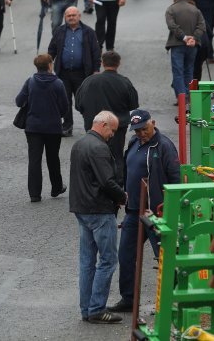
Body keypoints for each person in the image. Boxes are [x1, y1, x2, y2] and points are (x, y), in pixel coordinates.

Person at [109, 110, 180, 314]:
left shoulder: (164, 146)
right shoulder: (133, 143)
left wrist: (166, 209)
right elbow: (127, 170)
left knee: (164, 257)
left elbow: (175, 178)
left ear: (153, 123)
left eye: (144, 129)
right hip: (133, 212)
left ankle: (172, 299)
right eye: (137, 130)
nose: (141, 133)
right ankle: (129, 299)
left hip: (155, 213)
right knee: (126, 255)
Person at [69, 111, 126, 324]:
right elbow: (107, 182)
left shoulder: (80, 144)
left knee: (87, 261)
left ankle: (87, 308)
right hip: (99, 210)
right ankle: (97, 308)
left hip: (81, 209)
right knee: (108, 260)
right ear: (103, 125)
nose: (113, 134)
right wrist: (123, 197)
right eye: (112, 129)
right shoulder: (100, 148)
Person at [15, 54, 69, 202]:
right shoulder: (58, 83)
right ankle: (56, 187)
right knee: (53, 158)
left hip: (33, 127)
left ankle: (34, 193)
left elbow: (19, 101)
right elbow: (65, 107)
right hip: (53, 128)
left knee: (34, 160)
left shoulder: (30, 82)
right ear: (50, 65)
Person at [75, 51, 139, 173]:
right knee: (116, 157)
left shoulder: (89, 81)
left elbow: (78, 105)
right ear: (118, 63)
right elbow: (133, 105)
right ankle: (117, 186)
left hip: (94, 128)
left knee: (93, 158)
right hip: (117, 129)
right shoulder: (125, 82)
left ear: (103, 63)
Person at [47, 7, 101, 137]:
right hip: (63, 73)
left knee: (84, 101)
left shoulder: (88, 32)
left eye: (73, 15)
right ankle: (67, 126)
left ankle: (90, 127)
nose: (71, 17)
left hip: (82, 73)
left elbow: (95, 52)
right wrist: (48, 67)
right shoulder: (59, 31)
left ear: (79, 16)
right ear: (65, 17)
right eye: (68, 15)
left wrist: (96, 70)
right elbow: (52, 50)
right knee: (65, 101)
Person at [165, 0, 206, 102]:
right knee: (189, 70)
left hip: (177, 44)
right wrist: (194, 37)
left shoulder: (171, 10)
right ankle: (188, 94)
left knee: (178, 71)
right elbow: (202, 26)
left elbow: (172, 26)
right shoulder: (195, 10)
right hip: (192, 46)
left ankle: (181, 97)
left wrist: (184, 37)